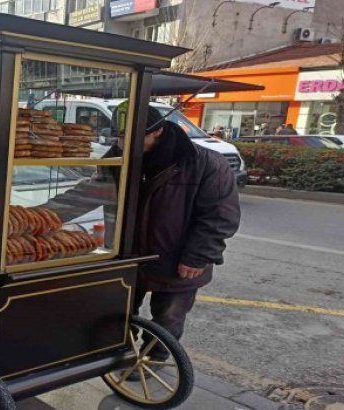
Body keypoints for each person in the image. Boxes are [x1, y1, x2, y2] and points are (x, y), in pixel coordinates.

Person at [46, 105, 241, 342]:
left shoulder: (205, 163)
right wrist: (40, 217)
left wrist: (198, 256)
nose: (123, 143)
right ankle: (123, 356)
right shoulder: (118, 161)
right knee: (118, 314)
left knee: (168, 319)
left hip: (178, 259)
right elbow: (86, 194)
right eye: (119, 137)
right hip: (127, 257)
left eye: (132, 137)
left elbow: (220, 216)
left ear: (158, 131)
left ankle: (156, 359)